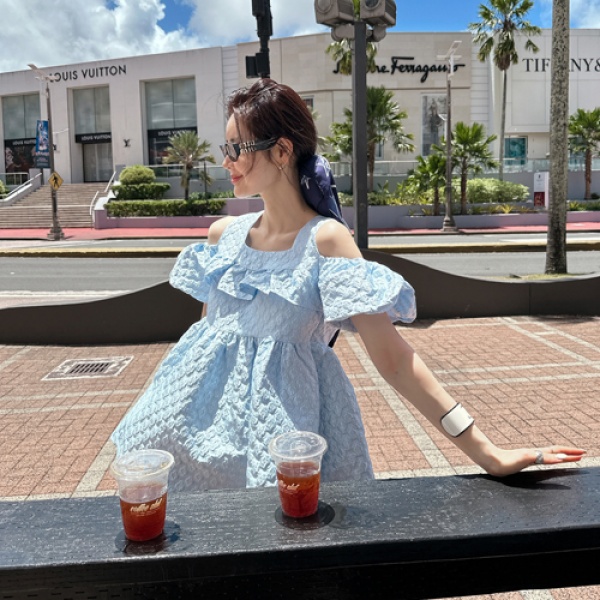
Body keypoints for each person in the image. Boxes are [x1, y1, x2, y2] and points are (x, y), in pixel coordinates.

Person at [111, 78, 584, 491]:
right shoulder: (222, 236)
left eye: (238, 149)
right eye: (225, 148)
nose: (226, 161)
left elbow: (396, 361)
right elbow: (202, 345)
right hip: (189, 440)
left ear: (281, 151)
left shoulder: (326, 240)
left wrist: (487, 452)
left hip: (280, 447)